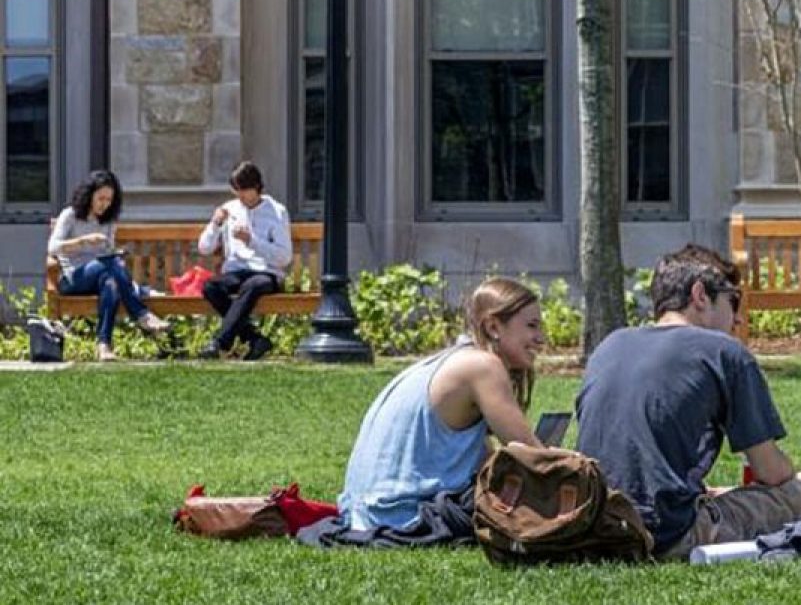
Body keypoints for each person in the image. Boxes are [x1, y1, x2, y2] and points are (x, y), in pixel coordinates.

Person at [576, 245, 801, 561]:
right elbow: (771, 472)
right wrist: (787, 481)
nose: (739, 318)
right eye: (734, 301)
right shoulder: (723, 352)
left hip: (593, 525)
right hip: (665, 533)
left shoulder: (609, 345)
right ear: (700, 295)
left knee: (725, 492)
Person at [299, 278, 545, 548]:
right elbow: (530, 455)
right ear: (493, 327)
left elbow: (483, 457)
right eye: (531, 326)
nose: (540, 338)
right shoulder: (482, 366)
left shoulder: (456, 360)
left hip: (365, 515)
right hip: (402, 518)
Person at [46, 170, 168, 361]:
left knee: (111, 282)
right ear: (89, 195)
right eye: (101, 198)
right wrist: (83, 241)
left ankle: (104, 346)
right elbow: (52, 247)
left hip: (102, 273)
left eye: (109, 200)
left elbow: (108, 255)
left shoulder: (108, 221)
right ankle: (142, 314)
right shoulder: (70, 215)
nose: (105, 204)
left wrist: (116, 254)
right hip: (73, 279)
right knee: (111, 264)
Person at [195, 160, 294, 360]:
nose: (240, 196)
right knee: (210, 287)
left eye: (244, 190)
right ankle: (254, 339)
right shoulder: (229, 208)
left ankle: (220, 342)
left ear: (256, 187)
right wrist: (215, 224)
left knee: (253, 284)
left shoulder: (277, 211)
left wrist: (252, 241)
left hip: (267, 273)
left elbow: (284, 257)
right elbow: (204, 248)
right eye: (236, 190)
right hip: (236, 271)